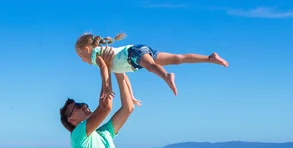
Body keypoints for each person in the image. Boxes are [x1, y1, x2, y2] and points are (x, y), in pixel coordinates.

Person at [75, 32, 228, 98]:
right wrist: (131, 95)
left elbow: (103, 68)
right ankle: (210, 58)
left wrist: (107, 87)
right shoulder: (109, 57)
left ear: (88, 50)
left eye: (81, 56)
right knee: (177, 58)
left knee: (151, 67)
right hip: (137, 51)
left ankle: (166, 76)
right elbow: (122, 75)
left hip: (133, 54)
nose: (82, 60)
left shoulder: (96, 55)